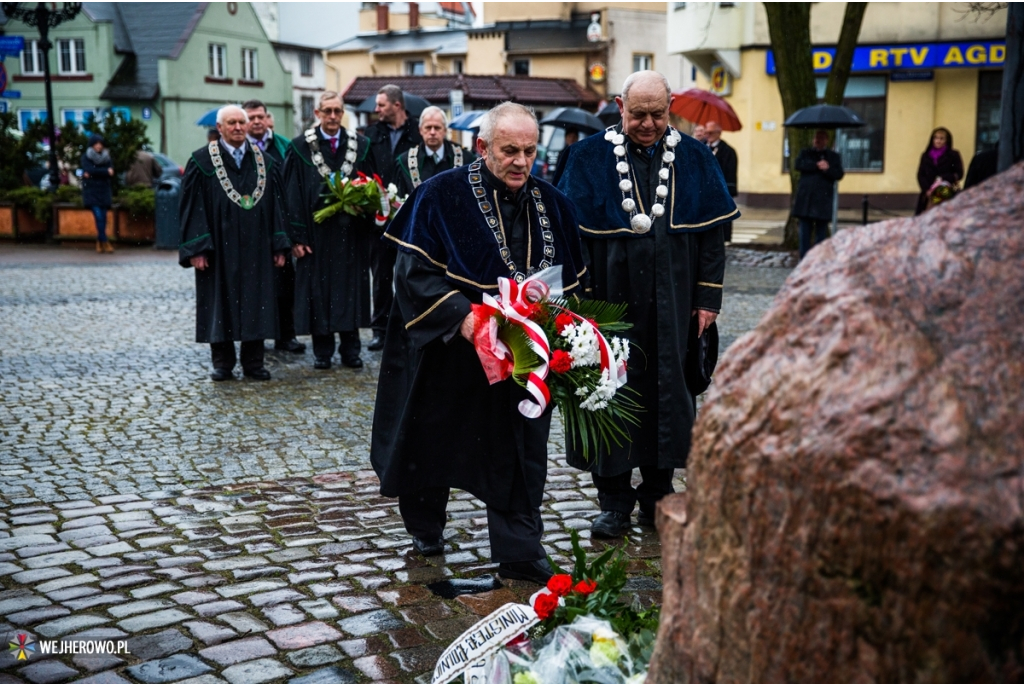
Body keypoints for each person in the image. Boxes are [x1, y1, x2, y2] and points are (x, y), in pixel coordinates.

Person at [371, 102, 588, 584]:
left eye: (530, 151)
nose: (521, 161)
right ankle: (425, 527)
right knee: (431, 439)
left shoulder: (555, 205)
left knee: (520, 445)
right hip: (449, 347)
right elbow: (411, 276)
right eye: (509, 150)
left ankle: (519, 547)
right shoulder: (438, 196)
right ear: (482, 147)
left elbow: (572, 288)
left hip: (522, 355)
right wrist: (467, 320)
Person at [557, 71, 735, 539]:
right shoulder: (588, 157)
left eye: (659, 114)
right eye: (638, 114)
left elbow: (713, 238)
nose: (649, 124)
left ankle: (658, 495)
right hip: (607, 298)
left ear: (670, 106)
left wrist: (707, 299)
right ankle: (612, 501)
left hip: (675, 301)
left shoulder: (695, 157)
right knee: (608, 391)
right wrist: (577, 306)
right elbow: (568, 239)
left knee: (668, 392)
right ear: (620, 106)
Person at [179, 105, 291, 381]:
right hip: (218, 247)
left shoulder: (265, 161)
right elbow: (193, 207)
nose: (239, 127)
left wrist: (279, 243)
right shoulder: (201, 162)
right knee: (220, 301)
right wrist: (198, 247)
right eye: (232, 123)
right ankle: (223, 362)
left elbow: (278, 206)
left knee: (258, 300)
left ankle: (254, 362)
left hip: (257, 246)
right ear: (220, 128)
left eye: (242, 122)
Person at [283, 91, 373, 370]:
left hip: (351, 235)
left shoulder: (361, 145)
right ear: (317, 113)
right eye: (327, 111)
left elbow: (373, 185)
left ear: (343, 112)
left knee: (350, 291)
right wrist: (296, 237)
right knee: (318, 292)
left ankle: (351, 350)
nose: (333, 117)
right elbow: (291, 194)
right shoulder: (300, 147)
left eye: (337, 111)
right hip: (315, 235)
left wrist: (366, 209)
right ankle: (323, 352)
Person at [365, 84, 424, 352]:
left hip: (410, 218)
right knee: (380, 275)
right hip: (378, 218)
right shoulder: (371, 134)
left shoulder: (417, 133)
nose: (376, 110)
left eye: (381, 105)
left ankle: (408, 325)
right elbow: (363, 171)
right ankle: (380, 329)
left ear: (397, 105)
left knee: (410, 274)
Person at [243, 99, 304, 356]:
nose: (256, 121)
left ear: (268, 118)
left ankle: (286, 335)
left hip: (279, 221)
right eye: (251, 117)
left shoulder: (284, 146)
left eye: (260, 116)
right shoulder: (238, 147)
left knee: (284, 283)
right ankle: (254, 335)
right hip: (248, 226)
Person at [393, 106, 476, 198]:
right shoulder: (404, 162)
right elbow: (400, 202)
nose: (432, 132)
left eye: (437, 128)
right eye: (428, 127)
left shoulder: (467, 159)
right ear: (420, 130)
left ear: (445, 130)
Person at [793, 129, 845, 260]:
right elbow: (798, 165)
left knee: (821, 232)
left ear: (826, 141)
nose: (817, 141)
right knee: (804, 231)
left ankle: (819, 258)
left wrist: (827, 168)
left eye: (821, 138)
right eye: (816, 138)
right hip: (806, 200)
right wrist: (816, 165)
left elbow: (839, 174)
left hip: (823, 200)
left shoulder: (833, 156)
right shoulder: (806, 153)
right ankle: (804, 258)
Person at [915, 127, 963, 215]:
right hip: (928, 191)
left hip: (947, 191)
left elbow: (959, 173)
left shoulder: (953, 155)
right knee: (926, 217)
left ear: (946, 140)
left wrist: (943, 178)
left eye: (941, 138)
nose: (938, 141)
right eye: (936, 138)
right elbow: (920, 175)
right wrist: (927, 189)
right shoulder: (925, 156)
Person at [80, 134, 115, 254]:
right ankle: (105, 241)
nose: (99, 146)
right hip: (91, 191)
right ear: (92, 145)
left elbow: (110, 172)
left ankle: (99, 241)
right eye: (96, 143)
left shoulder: (107, 157)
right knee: (98, 216)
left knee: (103, 218)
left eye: (100, 144)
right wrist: (104, 172)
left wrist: (94, 173)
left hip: (104, 191)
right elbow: (89, 169)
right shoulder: (86, 156)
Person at [705, 121, 737, 242]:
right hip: (704, 191)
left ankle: (723, 239)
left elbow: (730, 173)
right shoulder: (701, 146)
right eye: (706, 132)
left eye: (711, 132)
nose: (708, 135)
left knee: (722, 218)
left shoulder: (728, 151)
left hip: (720, 190)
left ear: (719, 133)